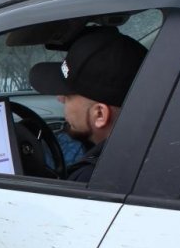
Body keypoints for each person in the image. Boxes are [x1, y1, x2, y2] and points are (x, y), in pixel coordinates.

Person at [29, 27, 147, 182]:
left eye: (68, 96)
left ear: (99, 114)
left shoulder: (92, 180)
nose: (60, 98)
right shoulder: (145, 153)